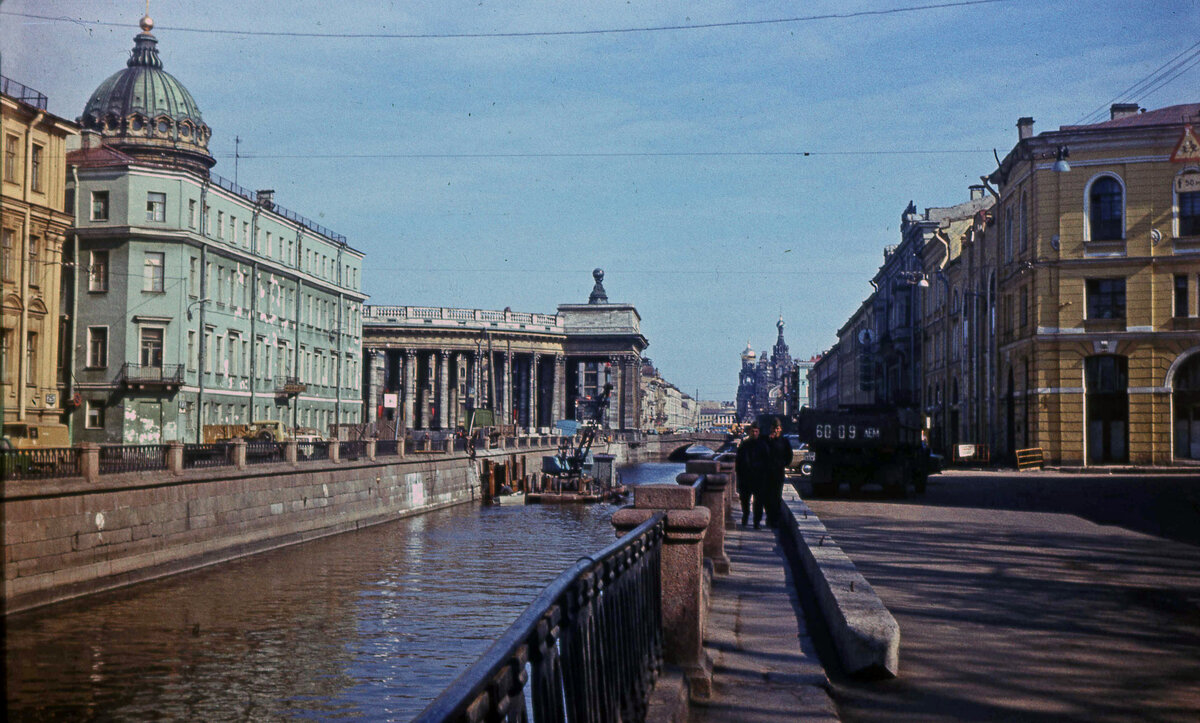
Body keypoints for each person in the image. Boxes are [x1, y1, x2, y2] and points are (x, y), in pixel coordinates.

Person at [734, 422, 771, 528]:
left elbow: (767, 461)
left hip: (759, 478)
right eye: (753, 431)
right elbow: (739, 461)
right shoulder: (744, 445)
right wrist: (740, 476)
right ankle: (745, 516)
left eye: (756, 431)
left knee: (758, 502)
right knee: (745, 501)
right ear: (749, 432)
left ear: (758, 432)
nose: (754, 433)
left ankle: (756, 522)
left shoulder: (763, 445)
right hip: (746, 478)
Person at [763, 417, 793, 528]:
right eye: (774, 428)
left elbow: (789, 456)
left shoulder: (785, 442)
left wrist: (783, 464)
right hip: (766, 473)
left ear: (780, 429)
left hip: (778, 473)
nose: (775, 430)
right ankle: (769, 517)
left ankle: (775, 519)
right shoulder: (766, 440)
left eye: (777, 428)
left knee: (776, 496)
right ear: (771, 428)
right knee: (767, 496)